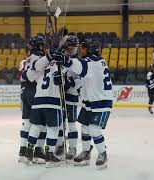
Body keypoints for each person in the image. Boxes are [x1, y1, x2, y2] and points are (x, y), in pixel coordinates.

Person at [64, 38, 112, 169]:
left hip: (101, 101)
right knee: (85, 126)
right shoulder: (97, 61)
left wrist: (64, 57)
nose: (81, 50)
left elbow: (75, 64)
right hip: (90, 100)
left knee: (94, 128)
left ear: (89, 49)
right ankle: (86, 152)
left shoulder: (92, 62)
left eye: (83, 48)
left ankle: (103, 154)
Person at [18, 36, 46, 164]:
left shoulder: (26, 60)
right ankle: (38, 152)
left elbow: (22, 75)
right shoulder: (40, 58)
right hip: (36, 91)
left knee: (26, 123)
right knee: (40, 124)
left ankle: (22, 151)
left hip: (25, 92)